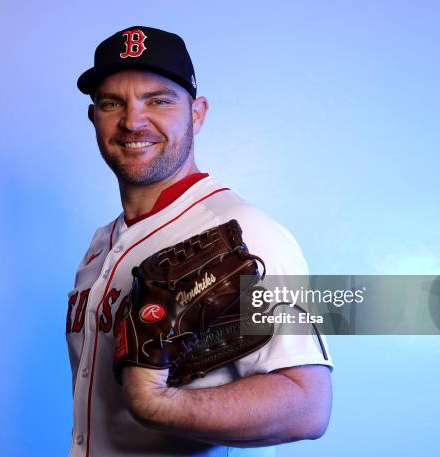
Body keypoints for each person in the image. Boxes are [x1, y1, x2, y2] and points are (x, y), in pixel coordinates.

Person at [66, 25, 333, 457]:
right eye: (113, 102)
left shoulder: (245, 233)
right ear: (94, 116)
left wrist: (159, 404)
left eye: (159, 100)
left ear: (197, 113)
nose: (133, 121)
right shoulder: (103, 242)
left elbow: (308, 405)